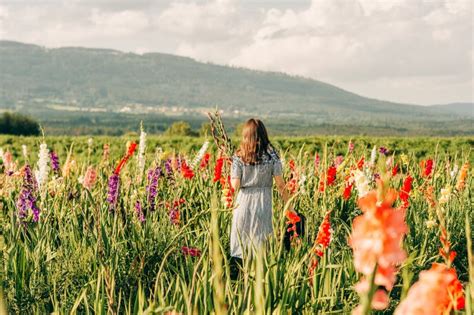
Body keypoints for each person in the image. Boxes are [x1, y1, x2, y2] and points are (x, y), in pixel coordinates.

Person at [229, 118, 294, 278]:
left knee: (240, 245)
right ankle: (259, 283)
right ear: (264, 135)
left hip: (243, 203)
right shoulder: (272, 155)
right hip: (264, 203)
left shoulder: (238, 156)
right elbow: (280, 185)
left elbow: (235, 185)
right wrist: (290, 208)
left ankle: (238, 286)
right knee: (262, 245)